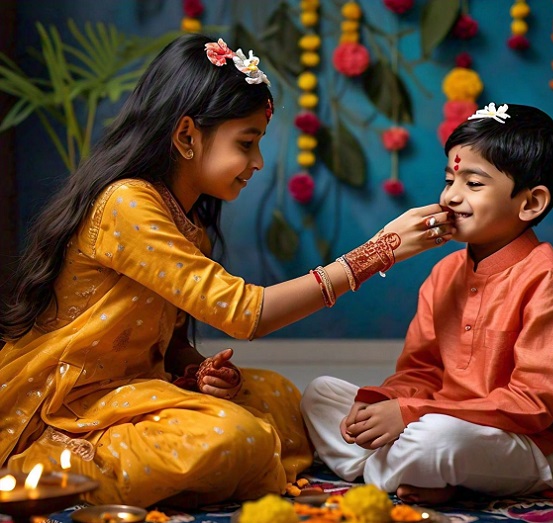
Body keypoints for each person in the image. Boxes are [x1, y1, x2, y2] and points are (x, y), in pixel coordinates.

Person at [0, 34, 454, 508]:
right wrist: (377, 253)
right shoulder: (127, 203)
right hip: (66, 406)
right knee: (233, 438)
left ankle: (223, 458)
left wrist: (197, 372)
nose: (257, 162)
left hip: (133, 393)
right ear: (187, 136)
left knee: (278, 397)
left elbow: (163, 341)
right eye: (247, 143)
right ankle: (45, 465)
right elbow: (245, 314)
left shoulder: (187, 220)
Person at [301, 103, 553, 505]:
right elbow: (420, 370)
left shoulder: (549, 281)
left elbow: (533, 406)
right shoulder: (445, 272)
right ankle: (418, 473)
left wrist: (409, 413)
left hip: (525, 444)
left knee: (438, 439)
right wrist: (389, 403)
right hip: (436, 418)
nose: (450, 196)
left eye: (473, 184)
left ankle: (383, 469)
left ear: (530, 203)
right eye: (449, 179)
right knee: (321, 395)